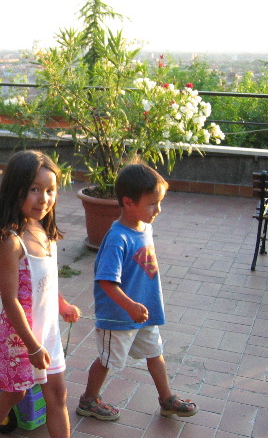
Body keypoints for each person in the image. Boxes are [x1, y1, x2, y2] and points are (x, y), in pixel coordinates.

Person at [76, 161, 198, 421]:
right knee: (107, 360)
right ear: (128, 203)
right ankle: (88, 400)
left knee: (155, 354)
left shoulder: (145, 227)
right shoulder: (117, 238)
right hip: (119, 316)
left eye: (159, 202)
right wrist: (129, 306)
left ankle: (166, 399)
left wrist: (139, 306)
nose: (158, 210)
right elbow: (105, 281)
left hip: (144, 313)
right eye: (152, 203)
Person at [0, 150, 80, 438]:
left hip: (47, 333)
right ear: (16, 190)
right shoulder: (11, 242)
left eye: (50, 190)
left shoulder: (44, 231)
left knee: (57, 395)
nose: (43, 199)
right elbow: (10, 300)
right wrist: (32, 346)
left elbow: (45, 282)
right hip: (19, 338)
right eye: (34, 189)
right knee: (15, 394)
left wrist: (62, 304)